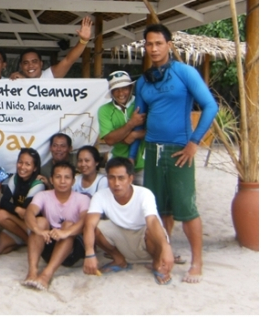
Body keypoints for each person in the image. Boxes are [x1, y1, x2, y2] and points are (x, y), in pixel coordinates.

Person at [129, 24, 218, 283]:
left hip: (180, 151)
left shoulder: (185, 72)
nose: (154, 48)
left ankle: (197, 262)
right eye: (149, 44)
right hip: (152, 151)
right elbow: (138, 122)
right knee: (159, 210)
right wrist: (132, 156)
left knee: (186, 209)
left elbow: (210, 106)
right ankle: (162, 255)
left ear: (169, 45)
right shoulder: (143, 81)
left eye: (158, 43)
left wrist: (194, 142)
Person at [82, 157, 174, 285]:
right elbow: (89, 224)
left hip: (145, 239)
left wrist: (166, 247)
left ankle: (157, 263)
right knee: (95, 227)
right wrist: (89, 253)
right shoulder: (100, 196)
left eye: (121, 178)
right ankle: (119, 260)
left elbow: (152, 220)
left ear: (130, 178)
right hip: (123, 238)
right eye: (112, 178)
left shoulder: (144, 194)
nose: (116, 183)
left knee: (151, 229)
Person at [22, 161, 90, 291]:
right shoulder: (43, 195)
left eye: (67, 177)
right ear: (51, 180)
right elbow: (29, 212)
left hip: (71, 250)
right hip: (49, 245)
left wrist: (65, 232)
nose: (62, 181)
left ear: (73, 181)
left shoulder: (82, 199)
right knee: (40, 222)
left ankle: (46, 275)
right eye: (58, 177)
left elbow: (85, 220)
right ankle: (32, 272)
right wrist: (37, 230)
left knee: (68, 224)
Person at [0, 148, 45, 254]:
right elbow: (3, 202)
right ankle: (27, 241)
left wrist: (15, 210)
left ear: (35, 168)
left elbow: (26, 211)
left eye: (27, 164)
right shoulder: (15, 178)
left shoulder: (38, 184)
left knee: (1, 215)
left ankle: (31, 240)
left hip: (32, 226)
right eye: (20, 162)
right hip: (18, 224)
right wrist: (17, 209)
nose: (22, 167)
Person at [97, 71, 146, 184]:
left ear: (130, 88)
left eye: (124, 88)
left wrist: (135, 135)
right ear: (111, 91)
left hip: (144, 164)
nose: (121, 93)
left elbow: (155, 131)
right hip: (118, 165)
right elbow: (109, 140)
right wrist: (131, 123)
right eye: (116, 89)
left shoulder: (142, 104)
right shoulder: (104, 110)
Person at [9, 16, 92, 79]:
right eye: (26, 63)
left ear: (41, 64)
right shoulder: (17, 80)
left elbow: (68, 60)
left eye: (34, 61)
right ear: (21, 66)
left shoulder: (50, 75)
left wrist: (83, 41)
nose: (30, 66)